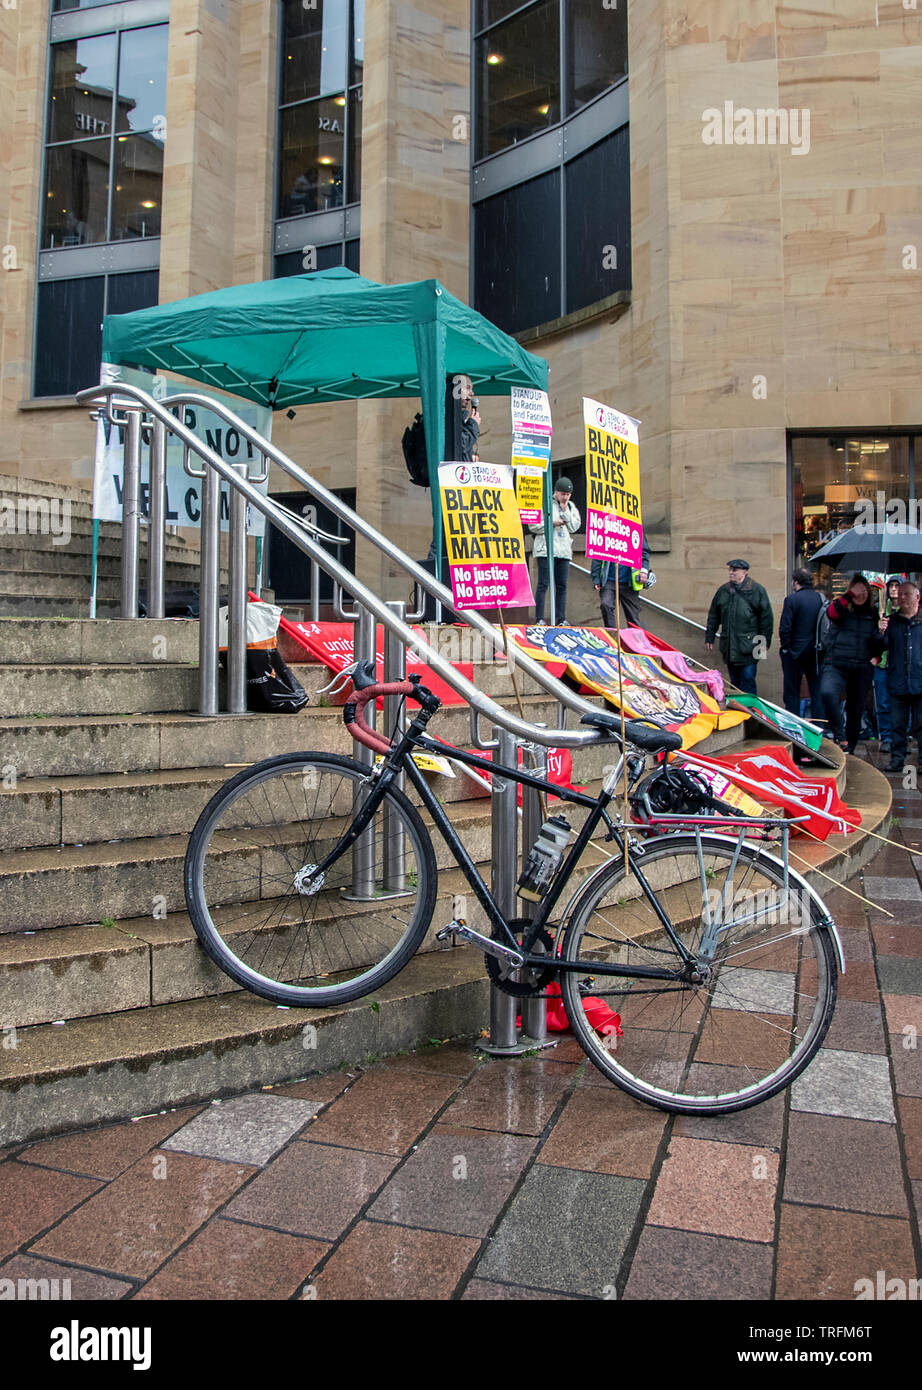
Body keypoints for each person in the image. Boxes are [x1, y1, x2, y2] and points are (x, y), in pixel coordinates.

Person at [819, 574, 878, 754]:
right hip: (836, 662)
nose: (861, 595)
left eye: (864, 592)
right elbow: (831, 613)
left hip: (861, 666)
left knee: (856, 708)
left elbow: (876, 640)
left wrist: (877, 653)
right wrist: (849, 595)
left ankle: (849, 747)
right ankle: (839, 732)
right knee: (828, 693)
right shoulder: (843, 607)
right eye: (857, 591)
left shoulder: (873, 613)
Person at [705, 559, 774, 695]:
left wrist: (764, 644)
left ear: (744, 572)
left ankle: (750, 712)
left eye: (734, 570)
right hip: (730, 646)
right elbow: (714, 614)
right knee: (734, 682)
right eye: (730, 570)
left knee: (748, 679)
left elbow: (766, 619)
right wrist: (710, 637)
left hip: (750, 646)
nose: (731, 573)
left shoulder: (757, 590)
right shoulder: (723, 590)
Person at [874, 580, 922, 774]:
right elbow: (879, 648)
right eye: (900, 594)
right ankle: (897, 760)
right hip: (898, 681)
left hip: (920, 681)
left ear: (917, 597)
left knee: (921, 724)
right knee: (897, 725)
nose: (901, 598)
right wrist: (880, 632)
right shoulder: (892, 621)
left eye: (906, 594)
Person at [530, 477, 580, 625]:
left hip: (563, 551)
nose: (565, 497)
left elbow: (574, 527)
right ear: (556, 492)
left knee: (561, 585)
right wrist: (552, 523)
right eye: (563, 494)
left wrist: (565, 511)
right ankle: (539, 618)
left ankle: (561, 618)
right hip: (546, 549)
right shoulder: (544, 504)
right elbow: (533, 526)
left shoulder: (570, 507)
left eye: (568, 494)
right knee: (543, 583)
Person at [779, 568, 824, 725]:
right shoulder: (820, 599)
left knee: (792, 693)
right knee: (816, 692)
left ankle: (793, 726)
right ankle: (819, 726)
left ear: (795, 582)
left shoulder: (791, 600)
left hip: (794, 653)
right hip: (816, 652)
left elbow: (784, 628)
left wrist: (786, 648)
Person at [591, 536, 652, 630]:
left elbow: (644, 551)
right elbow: (597, 554)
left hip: (629, 581)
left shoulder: (634, 526)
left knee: (633, 616)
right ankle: (612, 635)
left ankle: (635, 641)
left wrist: (644, 570)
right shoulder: (605, 528)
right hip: (609, 580)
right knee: (605, 605)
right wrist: (596, 578)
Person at [872, 575, 902, 751]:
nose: (893, 589)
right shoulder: (881, 611)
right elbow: (875, 641)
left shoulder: (908, 611)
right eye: (891, 586)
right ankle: (887, 737)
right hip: (883, 663)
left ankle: (901, 736)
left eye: (897, 586)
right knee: (883, 702)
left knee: (901, 703)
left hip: (899, 664)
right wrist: (880, 630)